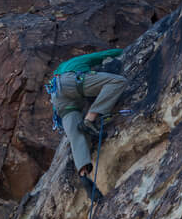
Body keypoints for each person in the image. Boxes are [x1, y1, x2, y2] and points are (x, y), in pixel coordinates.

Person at [47, 48, 127, 201]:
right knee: (117, 82)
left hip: (57, 96)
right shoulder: (79, 61)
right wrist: (120, 51)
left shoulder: (59, 70)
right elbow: (101, 56)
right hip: (72, 82)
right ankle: (90, 119)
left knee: (76, 135)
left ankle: (83, 173)